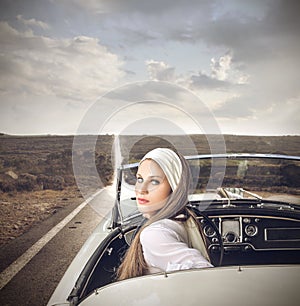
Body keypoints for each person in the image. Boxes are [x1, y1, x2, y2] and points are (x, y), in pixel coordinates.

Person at [117, 148, 212, 281]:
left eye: (154, 181)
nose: (141, 190)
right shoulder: (184, 218)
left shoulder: (154, 234)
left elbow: (206, 275)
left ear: (175, 187)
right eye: (140, 179)